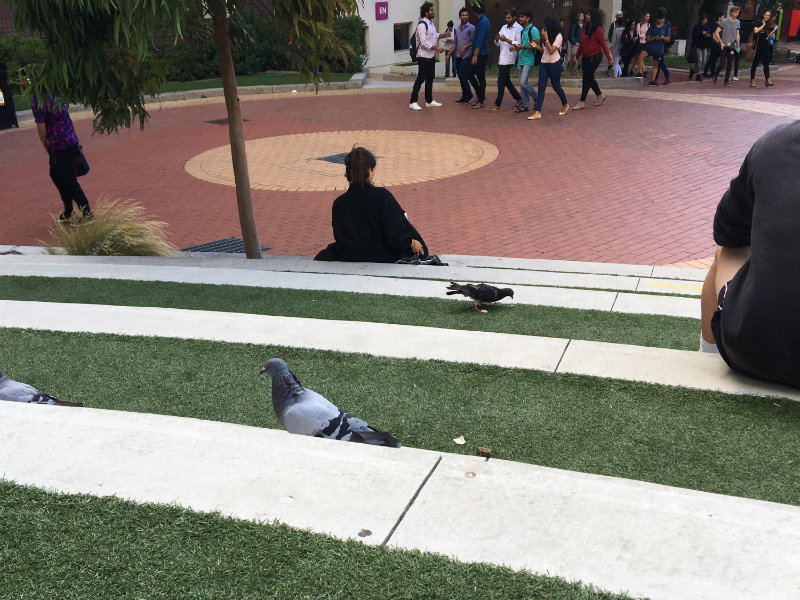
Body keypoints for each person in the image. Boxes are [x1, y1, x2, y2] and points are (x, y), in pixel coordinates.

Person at [700, 121, 800, 389]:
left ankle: (706, 363)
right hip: (758, 351)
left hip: (754, 351)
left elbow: (727, 233)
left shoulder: (775, 143)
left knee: (727, 249)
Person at [315, 147, 427, 263]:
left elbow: (342, 238)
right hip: (383, 257)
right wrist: (412, 243)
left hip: (351, 257)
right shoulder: (382, 196)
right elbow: (396, 235)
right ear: (369, 171)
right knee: (418, 247)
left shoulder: (339, 203)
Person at [23, 72, 91, 222]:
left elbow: (42, 131)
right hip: (69, 140)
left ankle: (86, 213)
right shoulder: (53, 94)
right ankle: (68, 211)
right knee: (57, 175)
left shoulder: (37, 101)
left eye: (23, 78)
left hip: (59, 145)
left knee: (67, 179)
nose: (21, 81)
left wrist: (48, 149)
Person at [409, 2, 447, 111]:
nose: (433, 11)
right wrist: (437, 48)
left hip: (431, 56)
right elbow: (424, 42)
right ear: (426, 13)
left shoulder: (431, 23)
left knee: (430, 78)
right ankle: (413, 101)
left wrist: (444, 35)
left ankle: (429, 101)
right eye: (431, 10)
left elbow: (434, 35)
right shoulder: (422, 25)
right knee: (421, 78)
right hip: (423, 56)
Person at [529, 17, 569, 120]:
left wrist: (546, 39)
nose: (544, 28)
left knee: (556, 87)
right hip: (544, 64)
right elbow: (545, 51)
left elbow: (552, 51)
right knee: (541, 87)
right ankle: (538, 111)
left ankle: (565, 104)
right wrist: (537, 47)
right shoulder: (546, 36)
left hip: (555, 64)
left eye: (545, 26)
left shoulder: (559, 36)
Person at [572, 8, 612, 110]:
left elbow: (604, 45)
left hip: (595, 57)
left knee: (586, 78)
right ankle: (600, 95)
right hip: (586, 57)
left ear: (594, 17)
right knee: (589, 78)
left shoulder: (598, 30)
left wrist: (609, 59)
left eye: (589, 15)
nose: (586, 16)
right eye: (586, 14)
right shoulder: (586, 27)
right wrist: (577, 55)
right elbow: (582, 43)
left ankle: (582, 102)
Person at [491, 8, 523, 112]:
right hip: (502, 57)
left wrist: (506, 40)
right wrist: (497, 39)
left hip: (510, 57)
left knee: (500, 81)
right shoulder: (503, 27)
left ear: (514, 17)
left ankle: (497, 104)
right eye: (506, 18)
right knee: (506, 81)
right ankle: (519, 98)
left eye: (509, 17)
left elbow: (518, 43)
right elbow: (498, 43)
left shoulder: (519, 28)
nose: (507, 19)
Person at [514, 10, 539, 114]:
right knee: (522, 83)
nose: (520, 19)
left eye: (522, 17)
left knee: (524, 82)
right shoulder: (523, 30)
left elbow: (537, 46)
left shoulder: (533, 30)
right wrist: (516, 49)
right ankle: (525, 105)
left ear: (528, 18)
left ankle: (537, 97)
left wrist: (523, 47)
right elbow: (521, 45)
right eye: (520, 17)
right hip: (521, 59)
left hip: (529, 59)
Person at [468, 4, 491, 109]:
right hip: (477, 52)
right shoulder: (480, 21)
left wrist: (475, 55)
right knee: (470, 73)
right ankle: (480, 95)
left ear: (475, 12)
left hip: (481, 53)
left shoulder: (484, 22)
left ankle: (481, 100)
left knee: (481, 77)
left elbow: (480, 40)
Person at [713, 5, 740, 87]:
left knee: (729, 63)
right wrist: (720, 42)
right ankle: (715, 74)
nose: (736, 14)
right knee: (722, 63)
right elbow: (717, 32)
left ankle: (726, 81)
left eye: (737, 12)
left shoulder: (738, 22)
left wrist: (738, 45)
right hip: (723, 45)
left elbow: (737, 34)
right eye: (735, 12)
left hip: (732, 45)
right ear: (731, 13)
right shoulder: (725, 21)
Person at [452, 8, 475, 104]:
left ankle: (469, 95)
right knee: (460, 76)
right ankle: (464, 95)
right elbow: (455, 43)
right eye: (463, 15)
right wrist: (449, 54)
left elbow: (474, 41)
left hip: (467, 56)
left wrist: (465, 47)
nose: (465, 17)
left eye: (466, 15)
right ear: (459, 17)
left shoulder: (471, 28)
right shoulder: (457, 29)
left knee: (463, 75)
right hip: (458, 56)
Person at [645, 8, 672, 86]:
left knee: (659, 62)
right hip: (658, 45)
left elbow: (669, 36)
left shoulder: (666, 24)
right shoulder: (655, 25)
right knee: (659, 61)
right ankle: (656, 78)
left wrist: (667, 43)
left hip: (662, 45)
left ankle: (664, 76)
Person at [750, 10, 775, 88]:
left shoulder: (770, 25)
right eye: (766, 15)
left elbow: (770, 35)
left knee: (766, 63)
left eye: (768, 15)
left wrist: (771, 36)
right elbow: (756, 31)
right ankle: (752, 80)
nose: (767, 17)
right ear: (763, 15)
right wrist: (763, 25)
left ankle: (767, 80)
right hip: (757, 46)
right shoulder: (758, 22)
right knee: (755, 63)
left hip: (765, 46)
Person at [689, 14, 712, 81]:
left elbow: (709, 35)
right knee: (699, 59)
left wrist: (708, 35)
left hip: (704, 46)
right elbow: (694, 35)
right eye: (704, 19)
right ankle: (698, 74)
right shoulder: (697, 27)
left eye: (706, 19)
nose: (705, 21)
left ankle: (693, 70)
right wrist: (702, 33)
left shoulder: (707, 27)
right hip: (698, 45)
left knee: (703, 60)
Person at [703, 13, 725, 78]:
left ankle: (705, 72)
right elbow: (714, 36)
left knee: (711, 59)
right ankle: (712, 73)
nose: (723, 18)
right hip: (715, 44)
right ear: (719, 18)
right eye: (722, 17)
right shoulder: (716, 25)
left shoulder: (720, 26)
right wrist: (719, 42)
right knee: (713, 59)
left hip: (717, 44)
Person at [633, 12, 650, 77]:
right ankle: (642, 70)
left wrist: (644, 36)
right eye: (647, 16)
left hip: (646, 42)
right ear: (644, 17)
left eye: (649, 16)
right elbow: (638, 34)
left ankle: (643, 71)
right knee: (638, 57)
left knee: (640, 57)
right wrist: (643, 35)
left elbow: (648, 34)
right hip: (640, 42)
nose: (648, 18)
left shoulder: (648, 25)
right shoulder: (639, 24)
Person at [609, 12, 625, 77]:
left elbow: (613, 41)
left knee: (615, 63)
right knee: (617, 62)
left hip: (615, 49)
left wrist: (610, 49)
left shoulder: (616, 31)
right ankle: (620, 73)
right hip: (622, 49)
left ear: (617, 23)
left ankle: (615, 76)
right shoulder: (625, 30)